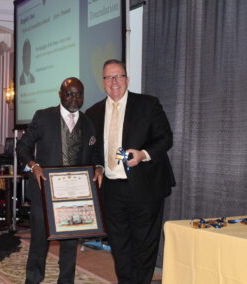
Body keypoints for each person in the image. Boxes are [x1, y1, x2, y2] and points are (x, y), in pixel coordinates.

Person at [86, 59, 176, 284]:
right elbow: (94, 149)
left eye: (119, 76)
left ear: (127, 79)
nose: (114, 81)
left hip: (145, 185)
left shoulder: (148, 104)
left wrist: (143, 154)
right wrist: (97, 166)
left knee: (144, 244)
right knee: (119, 245)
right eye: (108, 77)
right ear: (103, 81)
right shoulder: (93, 112)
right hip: (111, 189)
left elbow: (166, 138)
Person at [16, 77, 98, 284]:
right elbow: (22, 146)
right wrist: (33, 165)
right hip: (44, 192)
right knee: (39, 244)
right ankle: (33, 280)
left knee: (70, 245)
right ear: (60, 94)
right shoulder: (43, 117)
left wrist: (99, 167)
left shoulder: (88, 123)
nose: (74, 98)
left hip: (75, 195)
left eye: (78, 94)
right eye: (69, 93)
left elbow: (95, 153)